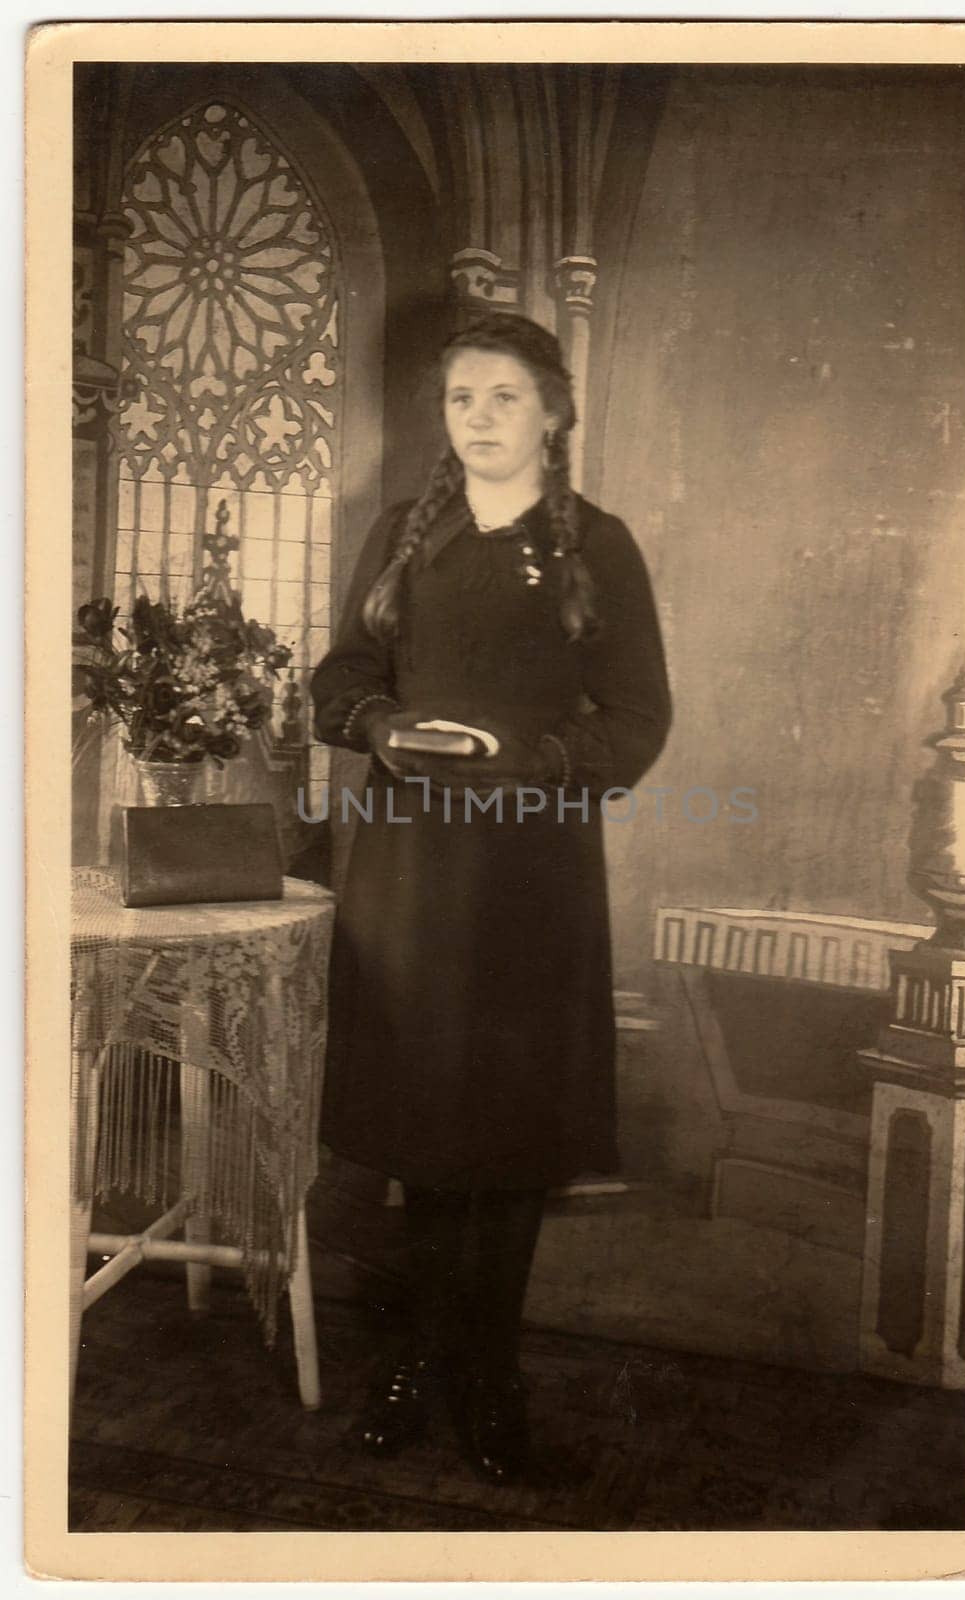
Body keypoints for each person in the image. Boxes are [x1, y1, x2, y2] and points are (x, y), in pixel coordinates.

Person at [310, 311, 671, 1483]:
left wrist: (525, 763)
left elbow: (634, 721)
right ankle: (414, 1361)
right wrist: (385, 728)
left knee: (507, 1136)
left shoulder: (599, 546)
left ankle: (489, 1374)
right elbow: (339, 681)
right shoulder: (404, 539)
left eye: (504, 396)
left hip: (529, 872)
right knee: (421, 1127)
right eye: (462, 396)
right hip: (410, 868)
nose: (479, 416)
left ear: (555, 412)